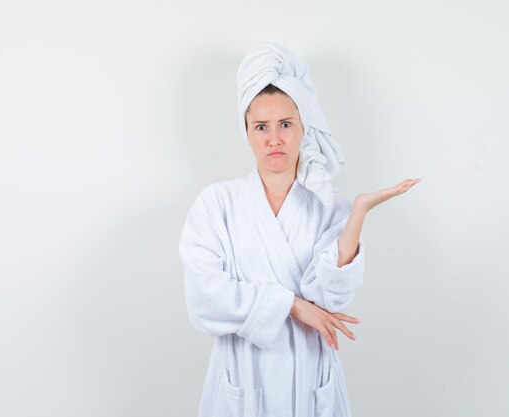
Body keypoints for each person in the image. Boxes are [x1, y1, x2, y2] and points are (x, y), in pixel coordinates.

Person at [178, 42, 420, 417]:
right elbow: (204, 299)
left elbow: (330, 301)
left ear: (303, 128)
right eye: (261, 127)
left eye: (286, 124)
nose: (274, 139)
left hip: (310, 379)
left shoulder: (330, 205)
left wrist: (356, 213)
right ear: (246, 132)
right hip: (243, 377)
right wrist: (290, 306)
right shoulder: (217, 204)